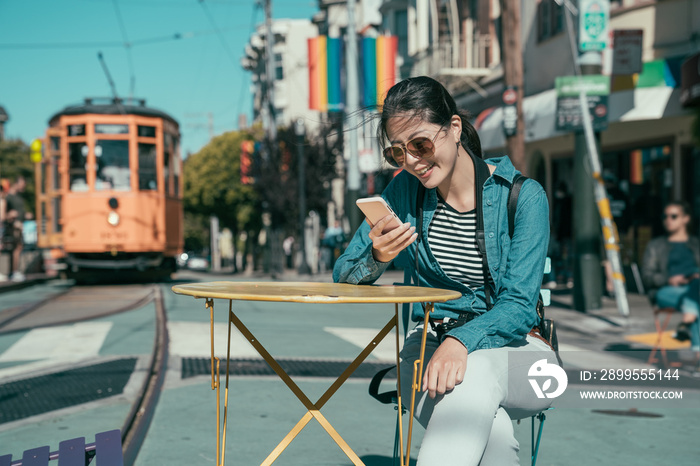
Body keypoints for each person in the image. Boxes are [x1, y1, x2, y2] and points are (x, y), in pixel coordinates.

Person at [333, 76, 556, 465]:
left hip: (521, 354)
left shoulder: (523, 197)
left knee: (476, 373)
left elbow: (520, 305)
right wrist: (378, 258)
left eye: (420, 145)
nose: (413, 163)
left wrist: (461, 342)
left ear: (454, 129)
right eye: (398, 153)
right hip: (427, 351)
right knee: (495, 439)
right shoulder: (403, 194)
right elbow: (344, 273)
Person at [642, 201, 700, 367]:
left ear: (685, 219)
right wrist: (669, 280)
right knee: (696, 300)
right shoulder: (656, 245)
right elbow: (647, 276)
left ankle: (688, 322)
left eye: (673, 216)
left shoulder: (696, 245)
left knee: (695, 290)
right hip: (665, 292)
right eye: (665, 216)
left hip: (693, 289)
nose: (668, 220)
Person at [4, 176, 26, 282]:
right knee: (15, 249)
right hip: (12, 227)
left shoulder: (19, 196)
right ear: (16, 184)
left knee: (18, 248)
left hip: (19, 226)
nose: (23, 186)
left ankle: (14, 271)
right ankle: (13, 272)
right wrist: (11, 217)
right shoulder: (9, 197)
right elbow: (3, 214)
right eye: (22, 184)